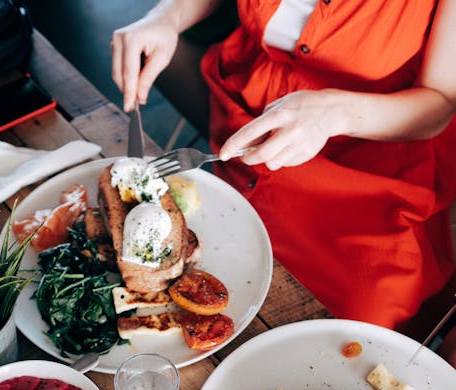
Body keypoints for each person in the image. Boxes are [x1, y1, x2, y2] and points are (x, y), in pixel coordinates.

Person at [111, 0, 456, 342]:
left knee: (360, 327)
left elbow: (440, 101)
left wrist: (337, 113)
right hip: (250, 119)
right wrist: (165, 18)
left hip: (374, 149)